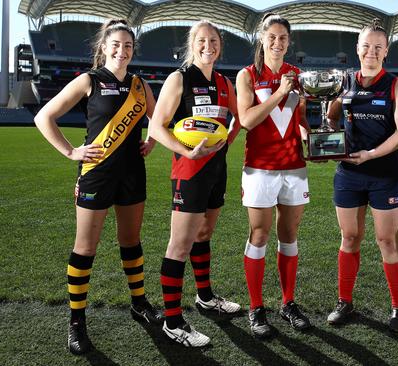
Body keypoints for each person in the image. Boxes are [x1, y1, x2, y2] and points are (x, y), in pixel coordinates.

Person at [34, 19, 162, 355]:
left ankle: (139, 303)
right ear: (104, 47)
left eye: (128, 46)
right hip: (96, 173)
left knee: (131, 241)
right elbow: (44, 116)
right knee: (85, 247)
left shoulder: (140, 85)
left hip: (133, 173)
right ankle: (76, 322)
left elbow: (158, 121)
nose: (122, 51)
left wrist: (151, 140)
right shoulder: (89, 80)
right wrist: (70, 151)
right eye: (116, 45)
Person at [148, 20, 242, 347]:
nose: (208, 46)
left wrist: (224, 140)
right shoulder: (179, 78)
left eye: (213, 40)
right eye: (201, 40)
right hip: (189, 171)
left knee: (204, 234)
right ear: (193, 44)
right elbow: (157, 127)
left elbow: (234, 121)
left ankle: (204, 298)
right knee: (180, 244)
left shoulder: (223, 81)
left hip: (217, 169)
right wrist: (186, 149)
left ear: (220, 45)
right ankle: (173, 322)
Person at [325, 18, 398, 333]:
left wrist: (372, 155)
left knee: (386, 240)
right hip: (348, 174)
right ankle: (345, 302)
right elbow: (332, 115)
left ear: (386, 50)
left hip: (384, 174)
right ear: (358, 48)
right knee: (349, 237)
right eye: (366, 46)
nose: (371, 52)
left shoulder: (396, 85)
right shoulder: (345, 81)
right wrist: (328, 137)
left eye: (378, 47)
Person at [235, 13, 312, 339]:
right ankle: (256, 308)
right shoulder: (248, 76)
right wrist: (280, 93)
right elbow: (247, 120)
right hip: (260, 169)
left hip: (294, 167)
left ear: (289, 41)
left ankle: (288, 302)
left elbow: (302, 121)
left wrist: (315, 138)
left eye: (283, 38)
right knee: (260, 234)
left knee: (289, 235)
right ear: (262, 39)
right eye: (272, 37)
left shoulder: (299, 75)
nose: (277, 43)